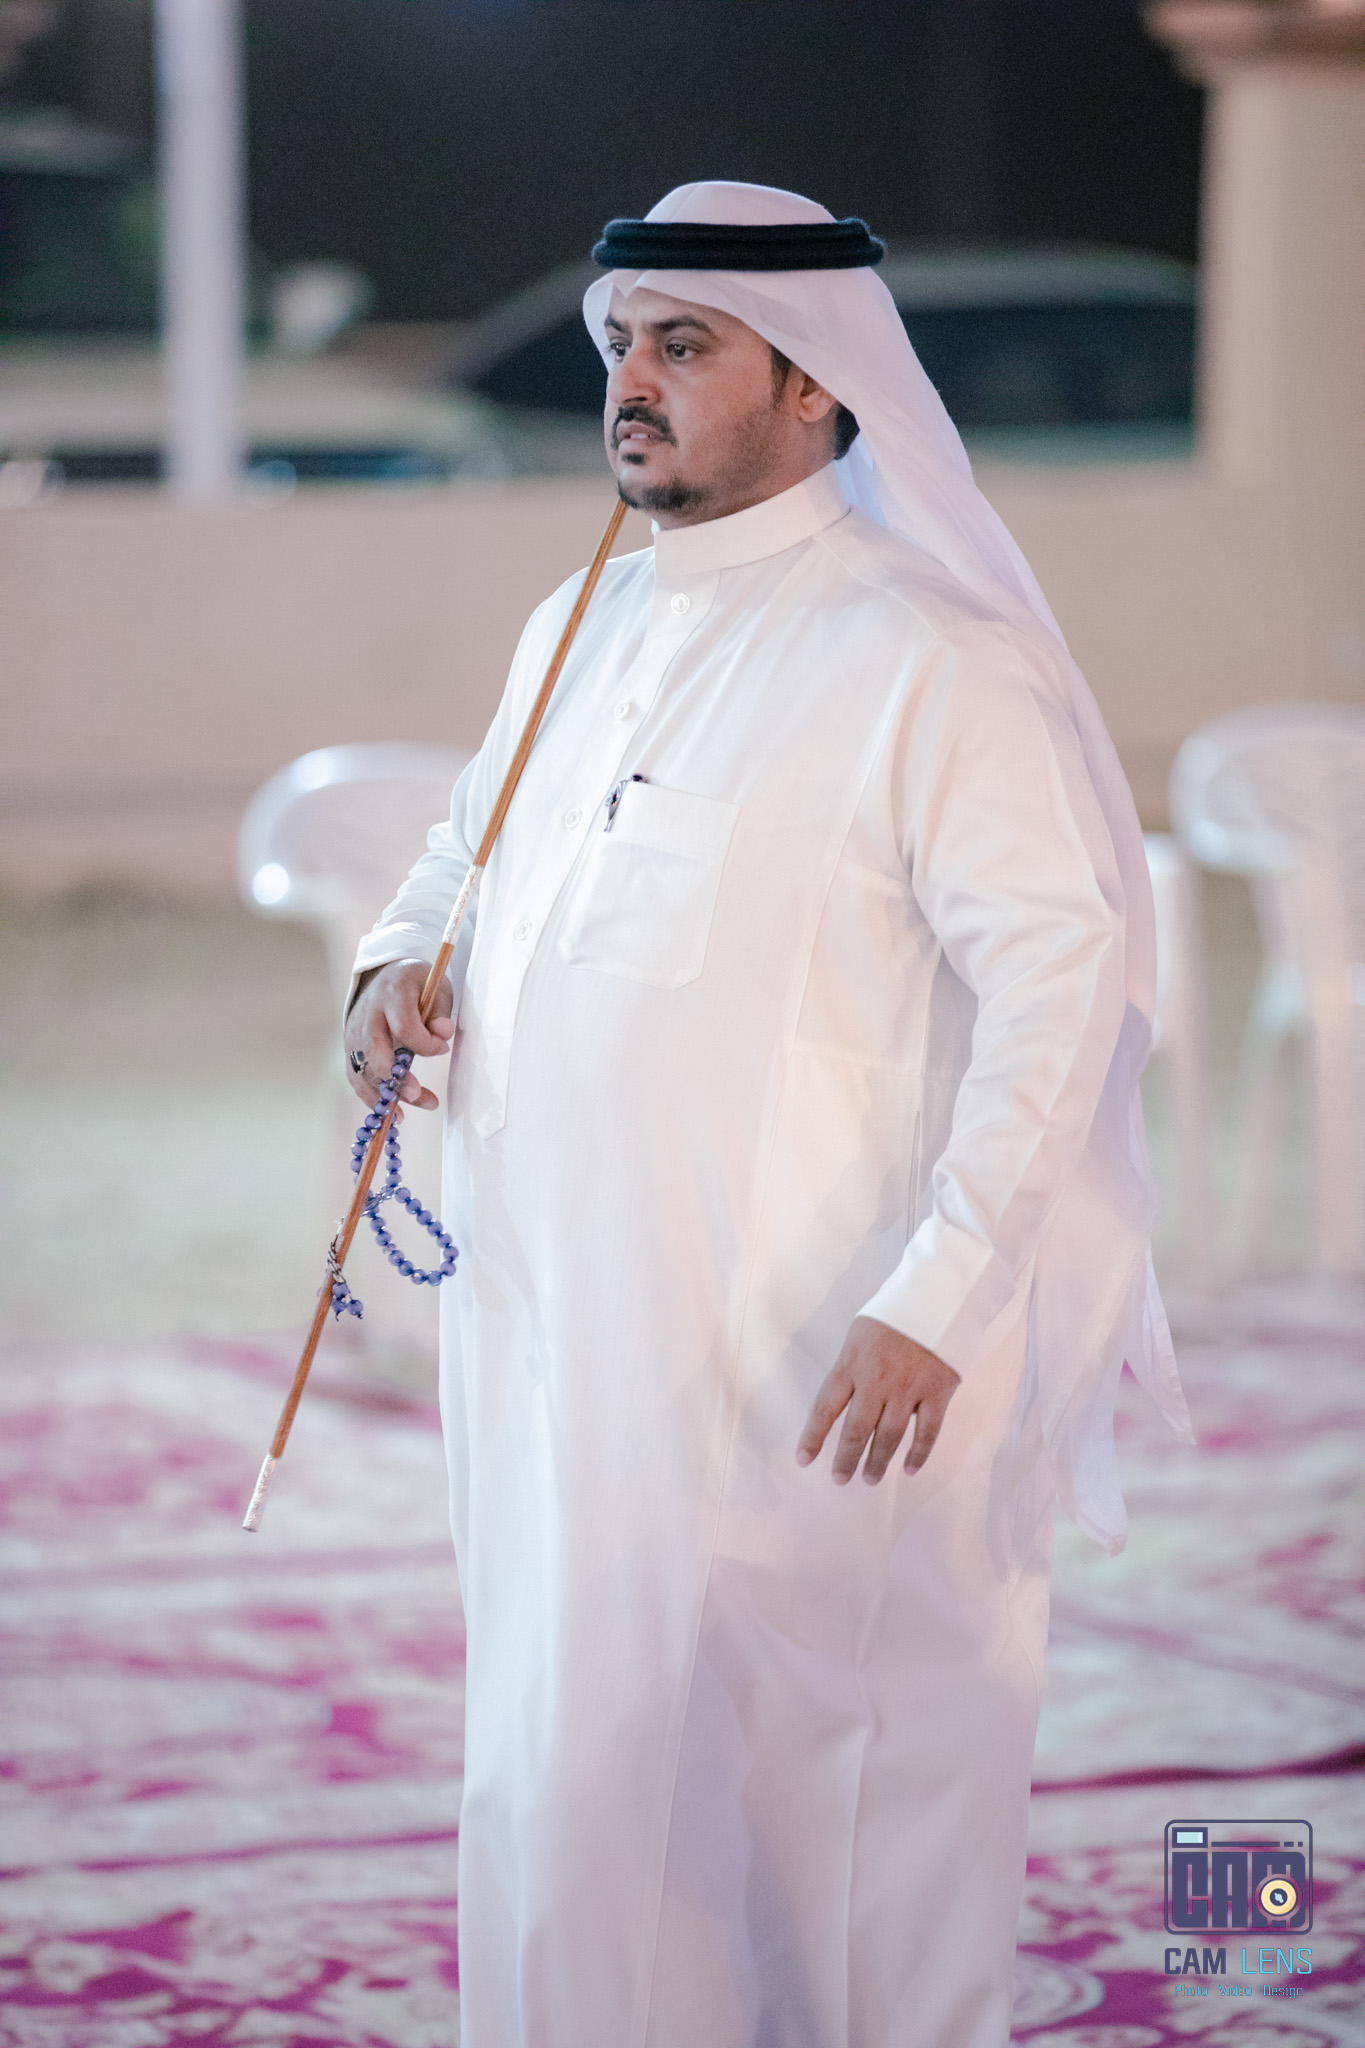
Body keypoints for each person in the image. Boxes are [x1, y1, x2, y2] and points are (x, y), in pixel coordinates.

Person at [343, 181, 1191, 2048]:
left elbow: (1066, 988)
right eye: (619, 345)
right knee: (568, 1771)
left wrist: (939, 1292)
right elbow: (455, 857)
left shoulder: (928, 657)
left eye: (683, 344)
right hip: (556, 1343)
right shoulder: (578, 622)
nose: (628, 382)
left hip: (816, 1355)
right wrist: (391, 971)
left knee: (829, 1810)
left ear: (815, 384)